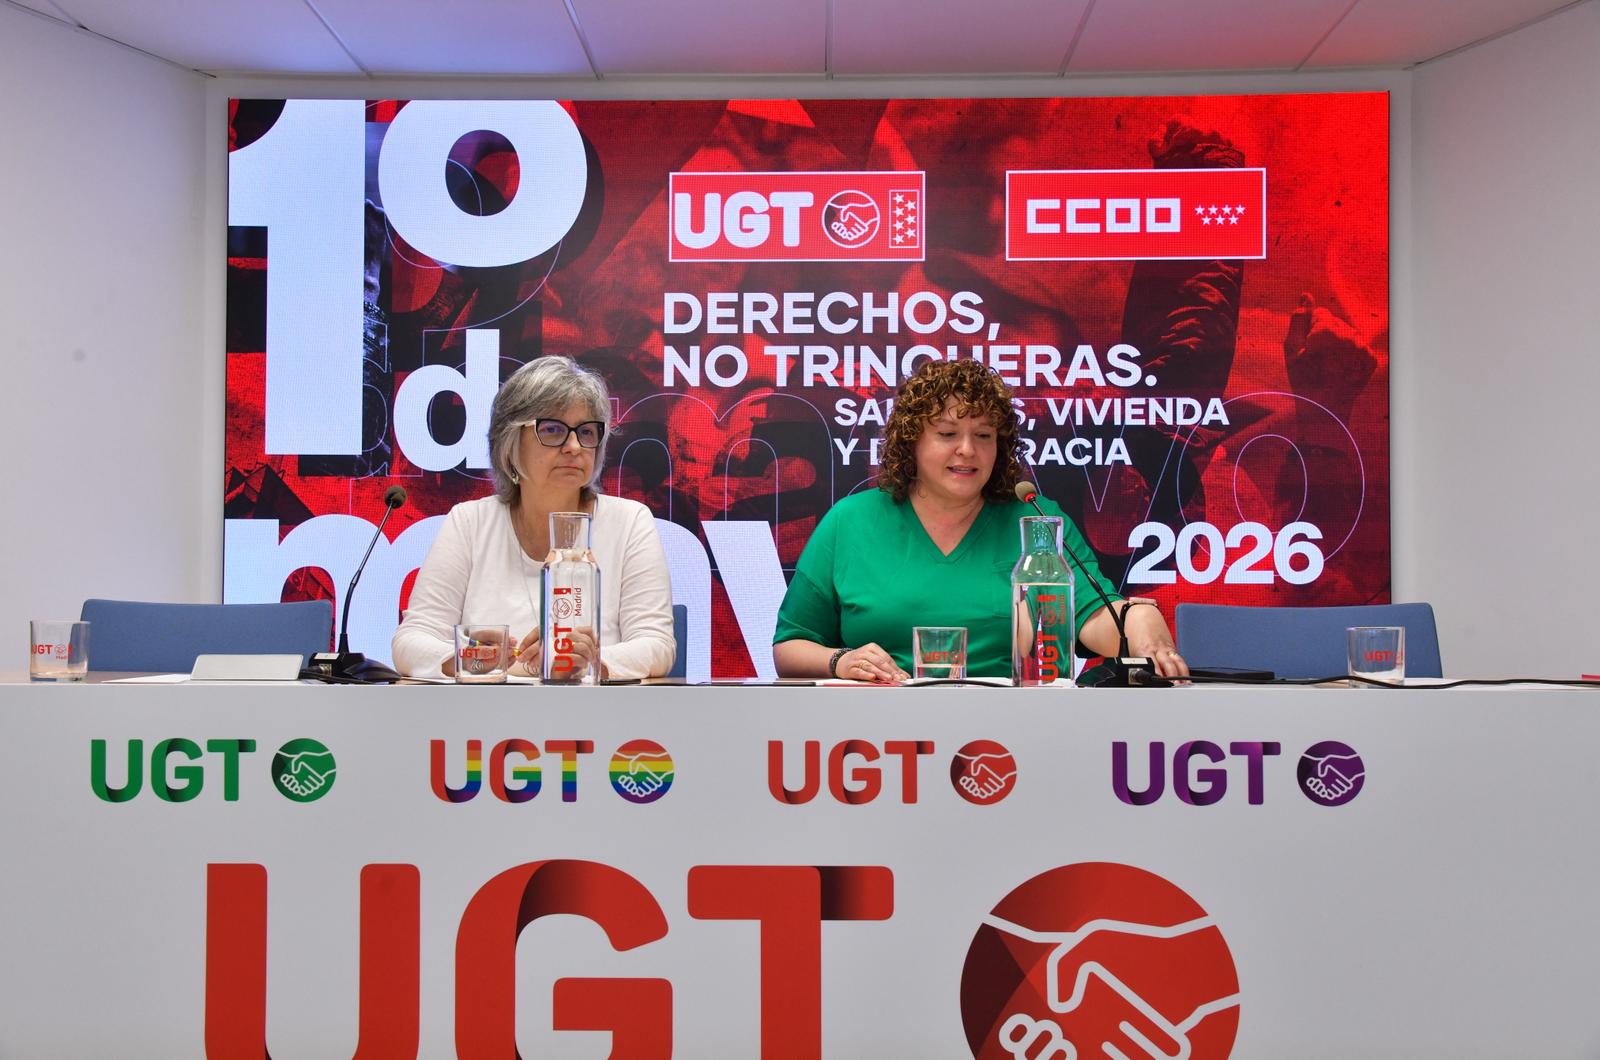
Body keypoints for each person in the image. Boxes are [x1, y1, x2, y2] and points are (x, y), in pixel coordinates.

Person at [772, 359, 1188, 682]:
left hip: (1018, 730)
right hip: (881, 737)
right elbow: (789, 648)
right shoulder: (850, 521)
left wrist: (1138, 619)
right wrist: (841, 661)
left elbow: (1093, 618)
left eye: (984, 435)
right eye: (948, 434)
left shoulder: (1036, 518)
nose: (968, 450)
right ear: (912, 442)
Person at [393, 356, 676, 680]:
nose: (574, 446)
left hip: (598, 723)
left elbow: (656, 645)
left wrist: (586, 662)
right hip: (481, 724)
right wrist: (466, 658)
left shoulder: (629, 521)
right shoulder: (470, 523)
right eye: (553, 430)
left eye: (586, 432)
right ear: (510, 442)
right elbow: (410, 643)